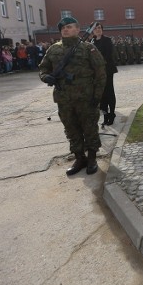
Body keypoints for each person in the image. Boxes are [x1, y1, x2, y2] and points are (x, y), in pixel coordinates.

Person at [39, 17, 106, 176]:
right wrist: (45, 77)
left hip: (86, 97)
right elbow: (43, 68)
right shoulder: (53, 49)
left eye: (69, 27)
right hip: (64, 98)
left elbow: (101, 73)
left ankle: (91, 158)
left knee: (89, 127)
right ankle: (79, 158)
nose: (65, 30)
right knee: (71, 129)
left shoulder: (88, 48)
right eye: (63, 28)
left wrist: (97, 96)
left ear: (77, 29)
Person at [91, 23, 118, 125]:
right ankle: (105, 115)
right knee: (101, 94)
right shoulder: (92, 41)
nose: (98, 30)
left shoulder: (107, 40)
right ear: (92, 31)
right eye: (95, 28)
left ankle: (112, 114)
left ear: (102, 30)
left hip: (107, 70)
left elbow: (108, 55)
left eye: (99, 28)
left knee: (109, 92)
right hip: (96, 72)